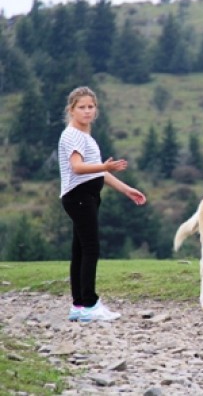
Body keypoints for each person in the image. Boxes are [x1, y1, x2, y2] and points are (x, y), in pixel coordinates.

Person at [58, 86, 147, 322]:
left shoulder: (84, 136)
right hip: (79, 196)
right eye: (82, 107)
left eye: (91, 107)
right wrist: (105, 167)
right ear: (72, 109)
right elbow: (78, 167)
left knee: (80, 250)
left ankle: (78, 305)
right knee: (90, 248)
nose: (87, 111)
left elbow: (99, 174)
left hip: (84, 195)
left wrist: (127, 190)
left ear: (96, 109)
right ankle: (89, 304)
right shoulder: (73, 135)